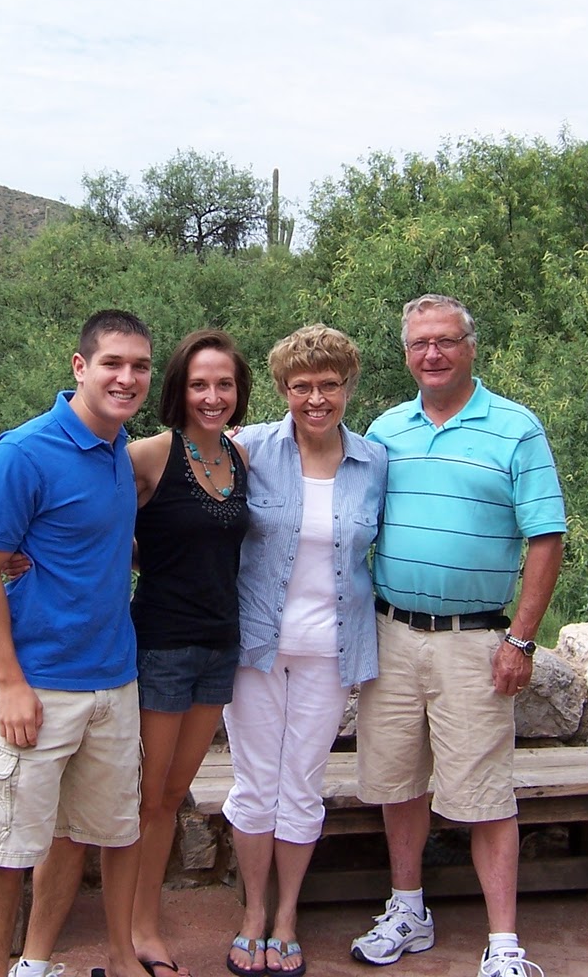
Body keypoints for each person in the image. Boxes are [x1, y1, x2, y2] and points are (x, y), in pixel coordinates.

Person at [350, 294, 566, 977]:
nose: (433, 354)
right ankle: (408, 910)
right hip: (390, 633)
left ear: (471, 347)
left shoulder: (516, 429)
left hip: (475, 642)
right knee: (397, 783)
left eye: (446, 340)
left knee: (485, 794)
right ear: (405, 353)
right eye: (420, 343)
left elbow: (547, 536)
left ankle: (504, 944)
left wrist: (521, 641)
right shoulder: (386, 430)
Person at [0, 309, 155, 977]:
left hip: (112, 680)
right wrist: (10, 682)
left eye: (139, 366)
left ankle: (36, 964)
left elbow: (100, 543)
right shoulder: (23, 453)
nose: (126, 378)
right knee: (4, 849)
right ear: (80, 366)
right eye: (112, 363)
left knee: (75, 836)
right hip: (36, 682)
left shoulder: (116, 451)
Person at [222, 324, 388, 977]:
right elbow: (185, 501)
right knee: (254, 784)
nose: (315, 398)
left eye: (328, 385)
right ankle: (253, 914)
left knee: (302, 786)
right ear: (282, 389)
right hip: (255, 646)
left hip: (331, 651)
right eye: (301, 386)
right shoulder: (247, 448)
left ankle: (287, 916)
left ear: (348, 386)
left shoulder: (374, 462)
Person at [126, 329, 254, 977]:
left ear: (238, 391)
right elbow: (94, 521)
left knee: (176, 793)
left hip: (219, 647)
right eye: (200, 384)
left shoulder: (240, 457)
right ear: (180, 389)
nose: (212, 396)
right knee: (149, 799)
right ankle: (140, 928)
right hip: (162, 646)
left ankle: (139, 915)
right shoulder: (150, 455)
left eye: (224, 384)